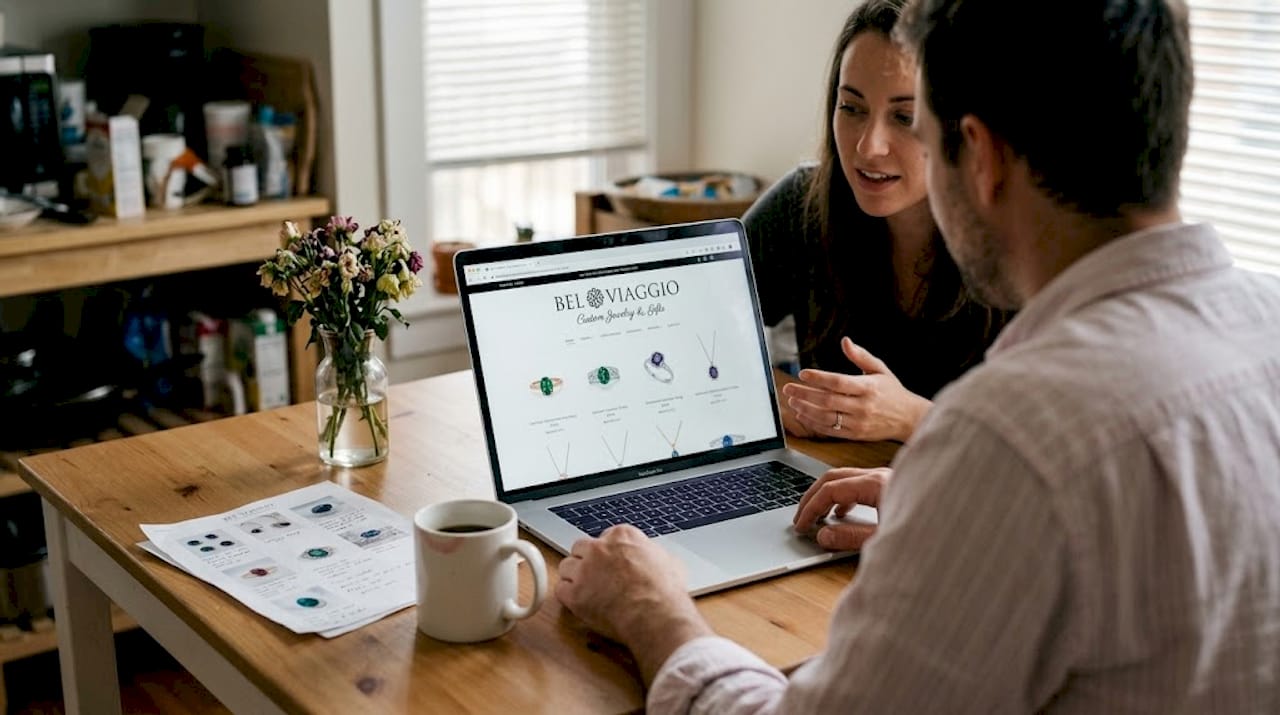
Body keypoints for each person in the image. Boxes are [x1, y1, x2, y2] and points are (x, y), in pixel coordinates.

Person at [556, 0, 1280, 711]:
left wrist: (656, 612)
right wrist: (944, 509)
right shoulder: (1265, 325)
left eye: (917, 123)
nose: (876, 148)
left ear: (982, 158)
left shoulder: (1012, 437)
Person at [744, 0, 1010, 443]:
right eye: (851, 108)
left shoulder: (1015, 242)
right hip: (830, 487)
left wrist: (912, 418)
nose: (869, 148)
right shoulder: (803, 202)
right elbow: (696, 328)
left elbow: (1053, 448)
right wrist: (780, 396)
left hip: (953, 500)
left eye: (905, 117)